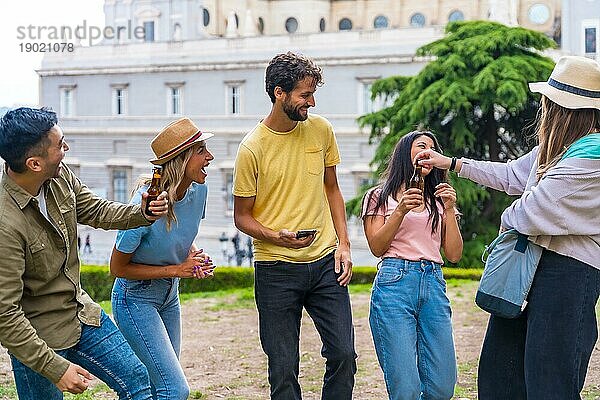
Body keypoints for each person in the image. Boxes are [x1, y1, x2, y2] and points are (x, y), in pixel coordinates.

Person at [415, 55, 600, 399]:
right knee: (500, 375)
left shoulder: (591, 157)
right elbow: (513, 175)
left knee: (550, 383)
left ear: (560, 108)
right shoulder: (557, 149)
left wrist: (507, 221)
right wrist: (453, 163)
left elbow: (529, 212)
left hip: (569, 275)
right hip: (532, 266)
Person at [0, 107, 169, 400]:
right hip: (39, 339)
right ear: (34, 163)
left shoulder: (58, 175)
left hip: (82, 313)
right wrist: (55, 369)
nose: (66, 149)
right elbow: (5, 315)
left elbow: (94, 209)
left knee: (138, 382)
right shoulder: (5, 224)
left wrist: (142, 213)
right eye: (59, 145)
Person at [233, 52, 356, 400]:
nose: (311, 102)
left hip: (324, 263)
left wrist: (344, 245)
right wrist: (277, 237)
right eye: (304, 95)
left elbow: (332, 189)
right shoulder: (251, 149)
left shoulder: (321, 130)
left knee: (344, 355)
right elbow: (242, 217)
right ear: (279, 93)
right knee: (283, 368)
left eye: (313, 94)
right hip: (275, 269)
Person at [110, 117, 216, 400]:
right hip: (135, 300)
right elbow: (117, 268)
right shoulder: (144, 207)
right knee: (175, 389)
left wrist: (193, 257)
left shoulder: (199, 191)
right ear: (181, 159)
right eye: (201, 150)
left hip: (170, 296)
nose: (210, 157)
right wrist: (177, 268)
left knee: (160, 387)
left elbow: (181, 234)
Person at [361, 130, 463, 400]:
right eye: (421, 145)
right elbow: (376, 247)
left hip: (433, 284)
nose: (428, 150)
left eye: (433, 147)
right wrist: (400, 210)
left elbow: (453, 254)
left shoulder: (439, 200)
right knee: (405, 388)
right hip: (394, 284)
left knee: (442, 386)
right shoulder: (378, 196)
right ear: (405, 153)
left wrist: (450, 209)